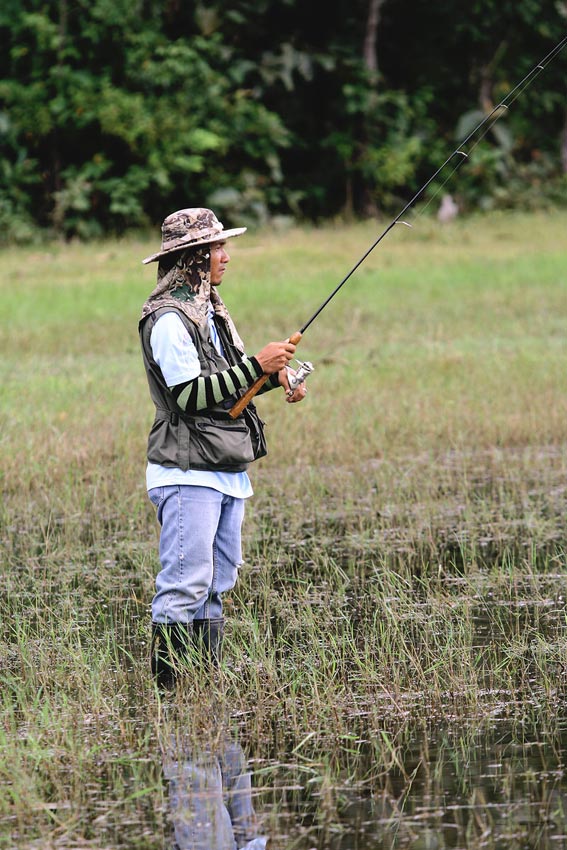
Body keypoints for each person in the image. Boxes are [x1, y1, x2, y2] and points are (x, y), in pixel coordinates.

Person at [139, 208, 306, 688]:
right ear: (192, 258)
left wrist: (276, 379)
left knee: (216, 585)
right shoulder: (169, 320)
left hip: (226, 466)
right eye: (215, 248)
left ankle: (202, 689)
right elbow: (189, 395)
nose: (225, 257)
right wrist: (257, 363)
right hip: (187, 470)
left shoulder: (212, 311)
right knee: (185, 585)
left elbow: (231, 388)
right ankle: (170, 695)